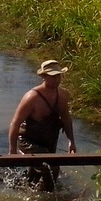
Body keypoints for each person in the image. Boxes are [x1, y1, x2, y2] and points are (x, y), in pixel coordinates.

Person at [7, 59, 77, 190]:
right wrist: (12, 151)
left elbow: (66, 119)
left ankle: (28, 193)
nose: (56, 80)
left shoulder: (62, 95)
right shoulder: (32, 97)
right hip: (28, 141)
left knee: (36, 175)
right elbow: (15, 123)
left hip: (49, 140)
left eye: (58, 76)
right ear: (44, 77)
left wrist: (71, 142)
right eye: (52, 76)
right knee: (52, 168)